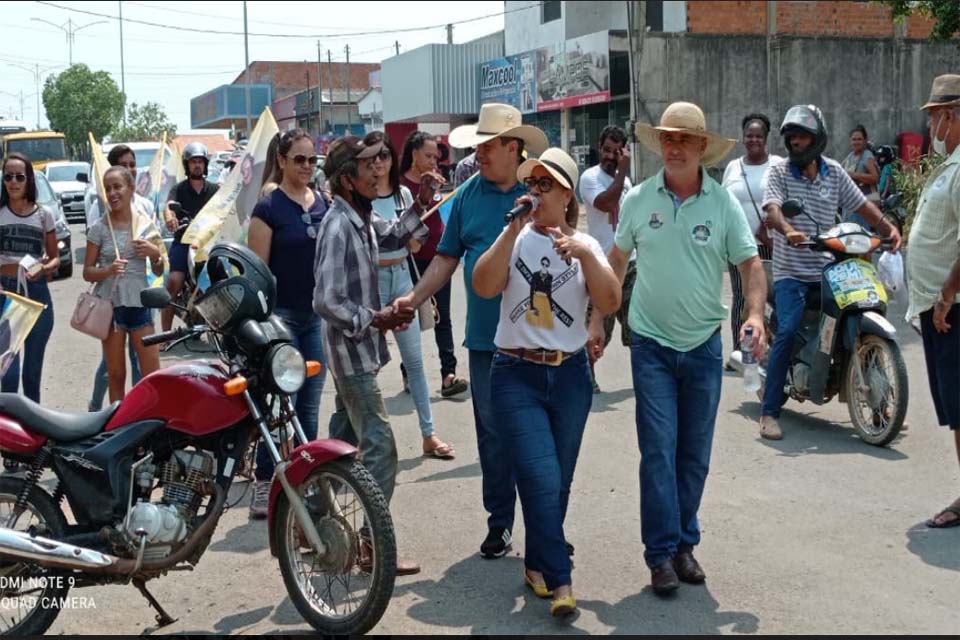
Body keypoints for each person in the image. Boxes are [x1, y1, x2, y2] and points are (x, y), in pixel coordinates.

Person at [588, 101, 767, 595]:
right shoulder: (639, 199)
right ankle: (661, 553)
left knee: (694, 455)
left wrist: (754, 315)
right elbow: (616, 262)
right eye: (668, 138)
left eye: (685, 139)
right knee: (658, 451)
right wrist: (597, 318)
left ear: (702, 147)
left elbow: (750, 265)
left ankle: (685, 543)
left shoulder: (722, 204)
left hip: (703, 345)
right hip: (651, 345)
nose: (675, 147)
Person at [394, 103, 549, 559]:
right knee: (494, 436)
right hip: (486, 341)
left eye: (488, 146)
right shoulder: (466, 197)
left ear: (513, 147)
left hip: (540, 339)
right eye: (477, 146)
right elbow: (445, 258)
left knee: (540, 439)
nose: (478, 154)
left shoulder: (541, 190)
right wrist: (413, 299)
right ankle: (500, 522)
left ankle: (546, 529)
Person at [473, 147, 620, 617]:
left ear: (567, 194)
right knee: (540, 474)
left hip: (570, 374)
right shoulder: (515, 238)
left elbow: (610, 301)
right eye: (530, 184)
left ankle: (536, 563)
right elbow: (483, 285)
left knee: (558, 482)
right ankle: (561, 580)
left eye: (545, 185)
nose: (535, 192)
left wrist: (586, 256)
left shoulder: (585, 244)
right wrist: (509, 230)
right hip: (516, 374)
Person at [313, 135, 440, 576]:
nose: (377, 171)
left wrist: (420, 202)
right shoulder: (338, 227)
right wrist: (376, 319)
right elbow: (327, 300)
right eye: (367, 166)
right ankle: (370, 547)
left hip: (358, 351)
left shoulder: (361, 217)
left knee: (338, 444)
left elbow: (394, 235)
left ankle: (309, 519)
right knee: (382, 451)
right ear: (347, 179)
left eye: (380, 161)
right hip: (351, 356)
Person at [761, 105, 902, 440]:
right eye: (792, 137)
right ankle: (768, 412)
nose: (796, 142)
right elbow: (773, 210)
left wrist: (888, 228)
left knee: (858, 312)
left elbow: (862, 206)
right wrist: (788, 230)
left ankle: (883, 406)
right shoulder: (780, 172)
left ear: (818, 138)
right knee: (788, 328)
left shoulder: (834, 172)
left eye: (802, 136)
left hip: (829, 269)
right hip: (791, 273)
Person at [246, 129, 329, 518]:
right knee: (282, 405)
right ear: (281, 160)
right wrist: (264, 327)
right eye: (299, 159)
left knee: (309, 406)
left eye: (313, 160)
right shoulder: (267, 209)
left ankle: (305, 478)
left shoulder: (324, 202)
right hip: (282, 321)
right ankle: (266, 480)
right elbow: (257, 274)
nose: (307, 167)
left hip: (318, 318)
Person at [365, 130, 455, 460]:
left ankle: (428, 434)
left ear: (392, 158)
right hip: (372, 282)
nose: (378, 162)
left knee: (415, 362)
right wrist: (411, 222)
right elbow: (391, 238)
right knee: (368, 365)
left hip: (402, 276)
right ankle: (361, 440)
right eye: (371, 156)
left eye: (383, 155)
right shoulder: (360, 195)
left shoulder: (403, 193)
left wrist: (421, 206)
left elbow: (415, 240)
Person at [907, 75, 960, 528]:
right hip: (940, 305)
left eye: (933, 118)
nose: (930, 128)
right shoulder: (951, 165)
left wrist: (945, 296)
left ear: (950, 117)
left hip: (951, 309)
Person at [83, 166, 164, 403]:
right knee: (116, 375)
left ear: (131, 188)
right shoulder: (99, 228)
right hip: (111, 309)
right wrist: (108, 270)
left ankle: (149, 422)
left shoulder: (145, 224)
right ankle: (117, 422)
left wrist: (155, 254)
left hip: (140, 304)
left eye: (117, 187)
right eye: (108, 189)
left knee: (151, 375)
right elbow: (87, 272)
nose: (112, 193)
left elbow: (159, 270)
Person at [399, 131, 468, 398]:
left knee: (443, 316)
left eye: (435, 157)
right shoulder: (401, 186)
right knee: (411, 315)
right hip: (411, 260)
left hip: (439, 257)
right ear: (414, 154)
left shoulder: (437, 181)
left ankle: (448, 374)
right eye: (428, 156)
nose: (432, 162)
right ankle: (408, 369)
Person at [721, 113, 783, 371]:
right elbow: (723, 203)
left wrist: (773, 224)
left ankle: (773, 351)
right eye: (749, 135)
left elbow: (787, 200)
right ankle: (741, 353)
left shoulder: (778, 165)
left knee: (772, 298)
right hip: (739, 246)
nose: (753, 140)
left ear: (766, 138)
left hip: (772, 244)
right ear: (743, 138)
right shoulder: (733, 167)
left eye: (758, 136)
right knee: (742, 297)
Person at [578, 125, 634, 392]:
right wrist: (622, 170)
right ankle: (584, 377)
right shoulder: (590, 177)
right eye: (607, 150)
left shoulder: (628, 183)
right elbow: (607, 203)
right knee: (598, 325)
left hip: (630, 263)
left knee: (639, 326)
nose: (611, 156)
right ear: (599, 148)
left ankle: (647, 376)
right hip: (601, 265)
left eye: (616, 151)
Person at [0, 153, 58, 402]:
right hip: (5, 294)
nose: (13, 182)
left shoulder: (44, 214)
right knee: (8, 374)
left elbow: (55, 258)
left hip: (36, 295)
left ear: (29, 180)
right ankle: (8, 425)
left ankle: (32, 425)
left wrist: (44, 269)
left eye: (19, 177)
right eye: (8, 177)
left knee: (32, 376)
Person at [161, 142, 219, 332]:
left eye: (200, 161)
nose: (197, 165)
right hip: (184, 242)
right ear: (187, 165)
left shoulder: (214, 189)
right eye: (193, 162)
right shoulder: (179, 189)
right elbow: (169, 206)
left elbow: (225, 208)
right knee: (174, 281)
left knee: (223, 279)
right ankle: (165, 334)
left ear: (205, 164)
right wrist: (170, 218)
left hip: (207, 244)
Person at [841, 124, 880, 228]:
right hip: (850, 204)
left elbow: (875, 177)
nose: (856, 142)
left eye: (859, 139)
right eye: (854, 139)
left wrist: (854, 175)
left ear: (865, 140)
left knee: (859, 233)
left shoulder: (867, 156)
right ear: (850, 141)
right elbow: (840, 171)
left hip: (863, 204)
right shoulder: (850, 156)